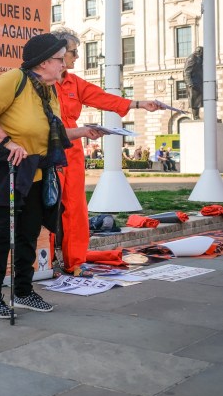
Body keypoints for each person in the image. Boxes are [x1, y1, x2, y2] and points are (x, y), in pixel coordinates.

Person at [0, 33, 105, 319]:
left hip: (37, 171)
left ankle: (23, 291)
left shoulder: (48, 89)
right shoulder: (14, 80)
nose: (65, 63)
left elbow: (49, 131)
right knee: (2, 234)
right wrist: (8, 142)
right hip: (8, 170)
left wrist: (83, 132)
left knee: (29, 233)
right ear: (42, 63)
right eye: (59, 59)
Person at [49, 28, 158, 277]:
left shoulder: (74, 82)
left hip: (73, 149)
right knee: (47, 206)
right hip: (48, 147)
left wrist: (139, 104)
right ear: (59, 53)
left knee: (76, 208)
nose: (77, 57)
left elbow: (101, 98)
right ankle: (45, 263)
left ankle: (74, 262)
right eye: (74, 52)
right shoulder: (42, 81)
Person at [183, 46, 203, 120]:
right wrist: (189, 83)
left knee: (203, 100)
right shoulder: (192, 58)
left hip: (200, 82)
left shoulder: (200, 58)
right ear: (200, 52)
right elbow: (186, 71)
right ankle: (196, 117)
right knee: (195, 101)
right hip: (194, 83)